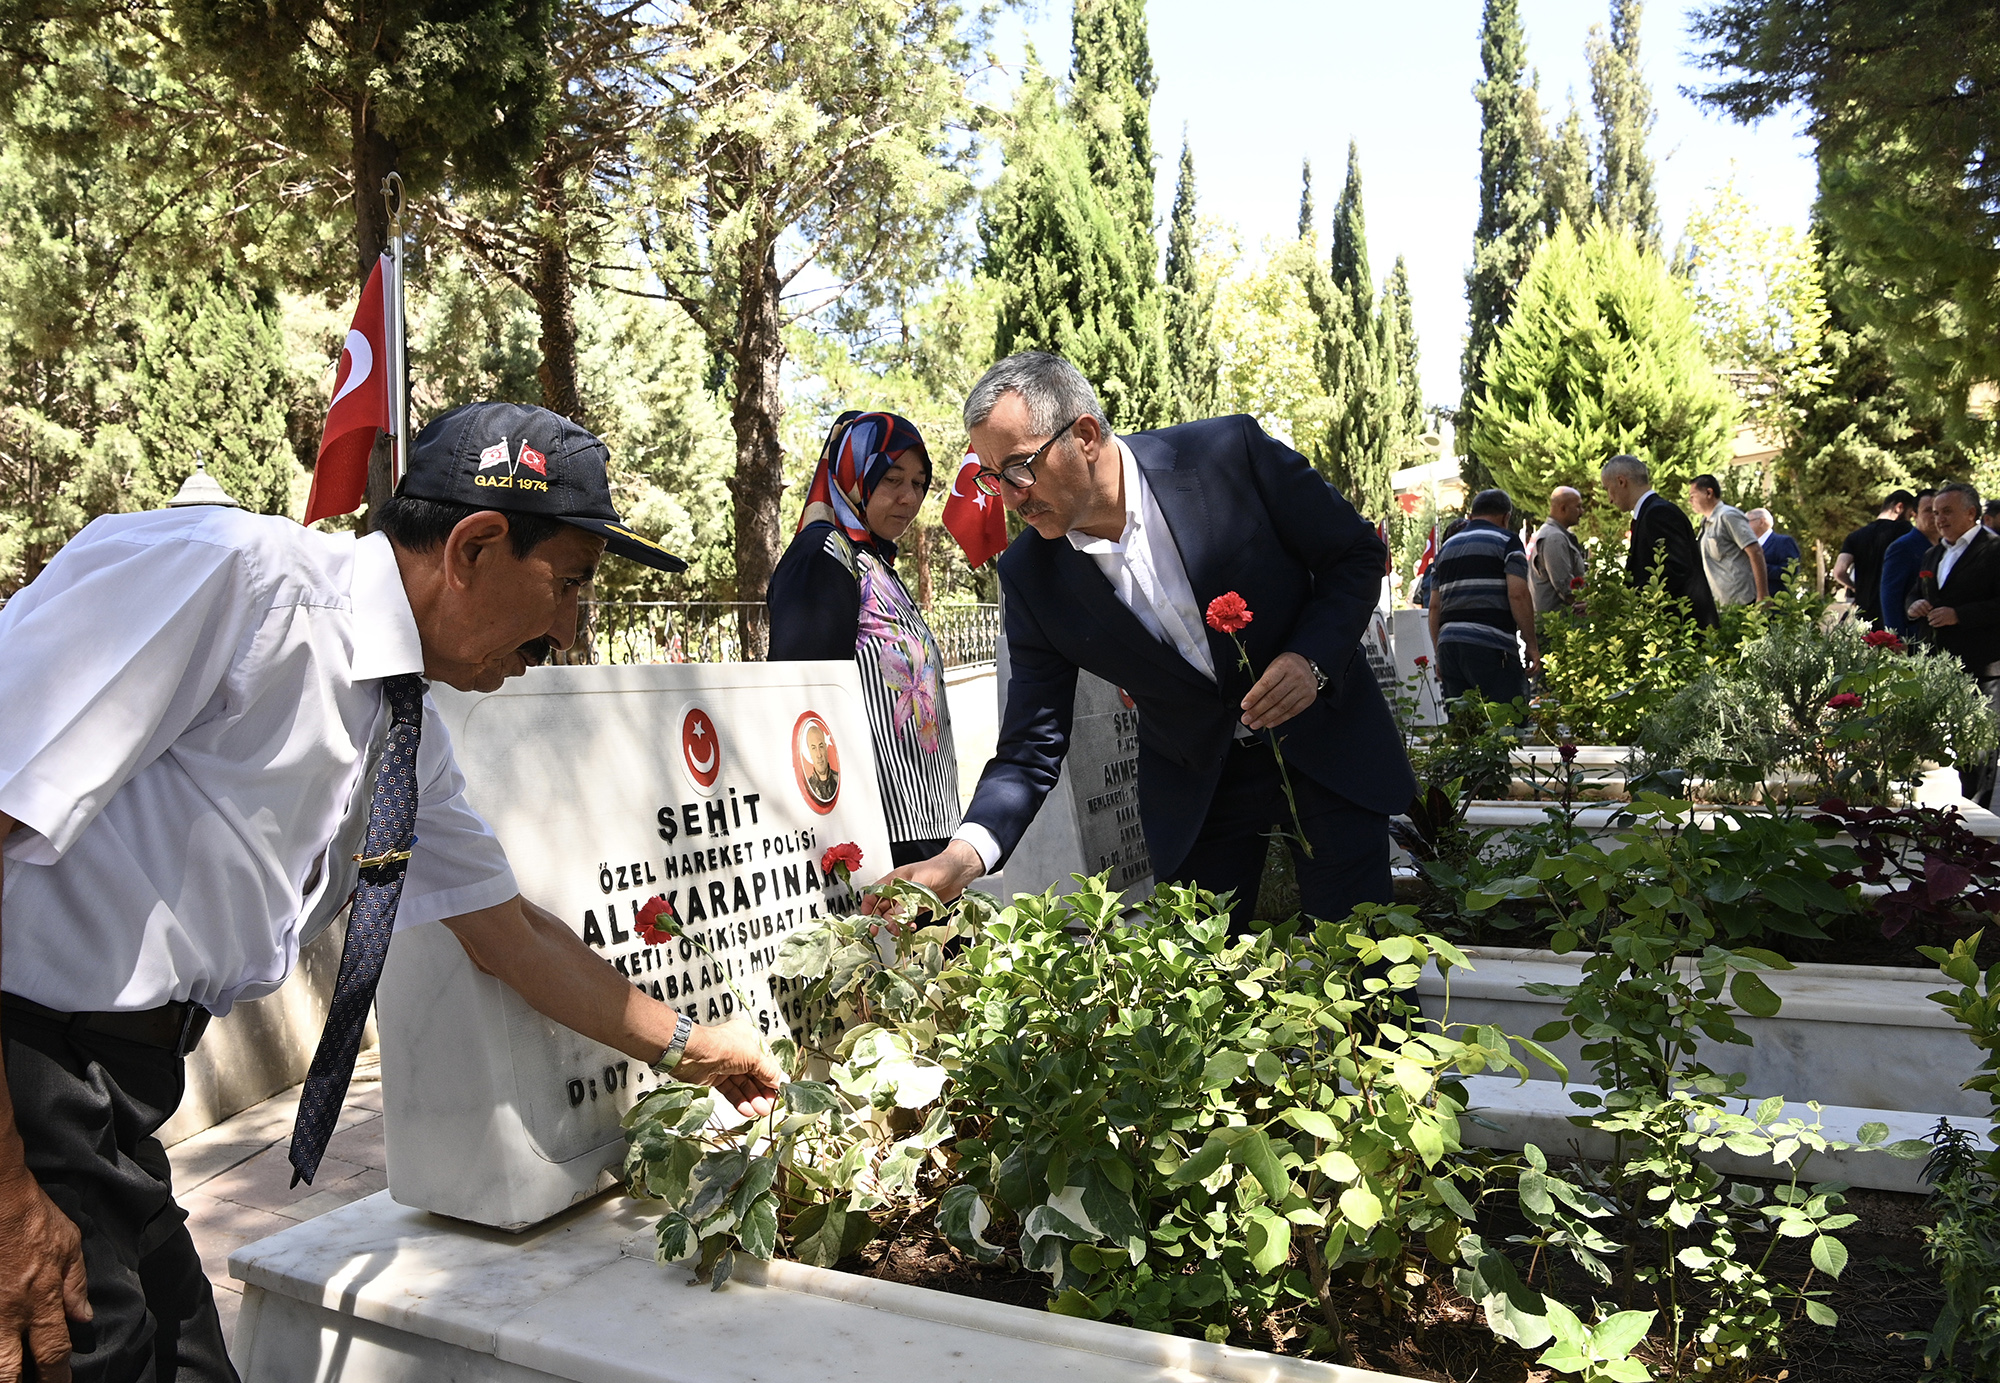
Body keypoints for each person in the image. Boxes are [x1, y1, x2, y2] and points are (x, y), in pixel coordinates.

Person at [0, 402, 782, 1383]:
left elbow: (515, 939)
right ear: (476, 546)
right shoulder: (233, 582)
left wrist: (696, 1049)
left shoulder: (401, 732)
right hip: (25, 1070)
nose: (571, 630)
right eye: (572, 583)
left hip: (113, 1094)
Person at [866, 351, 1414, 934]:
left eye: (1020, 468)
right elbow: (1031, 744)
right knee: (1200, 997)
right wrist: (959, 860)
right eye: (994, 477)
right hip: (1200, 793)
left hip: (1325, 748)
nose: (1010, 497)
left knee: (1361, 972)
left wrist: (1312, 660)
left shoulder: (1228, 454)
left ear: (1083, 436)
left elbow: (1354, 554)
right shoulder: (1031, 576)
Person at [767, 412, 959, 866]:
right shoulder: (825, 555)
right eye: (892, 479)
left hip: (926, 826)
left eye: (919, 483)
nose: (908, 498)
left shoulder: (873, 561)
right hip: (874, 835)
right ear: (856, 475)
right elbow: (804, 702)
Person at [1907, 483, 2000, 803]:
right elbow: (1917, 593)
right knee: (1949, 744)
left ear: (1971, 513)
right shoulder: (1933, 553)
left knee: (1979, 743)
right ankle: (1952, 814)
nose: (1939, 519)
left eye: (1947, 511)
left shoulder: (1994, 549)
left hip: (1982, 663)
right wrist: (1914, 606)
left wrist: (1959, 614)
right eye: (1934, 513)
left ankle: (1978, 814)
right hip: (1939, 663)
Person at [1428, 489, 1539, 702]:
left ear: (1471, 516)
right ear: (1506, 517)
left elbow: (1434, 607)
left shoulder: (1445, 550)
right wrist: (1531, 645)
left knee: (1464, 727)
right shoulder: (1508, 541)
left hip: (1450, 647)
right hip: (1492, 646)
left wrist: (1438, 654)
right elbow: (1518, 595)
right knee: (1508, 722)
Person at [1598, 454, 1717, 626]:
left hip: (1682, 627)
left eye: (1607, 489)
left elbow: (1675, 570)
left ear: (1621, 482)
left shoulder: (1658, 513)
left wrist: (1619, 602)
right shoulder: (1652, 512)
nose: (1609, 499)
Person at [1833, 490, 1915, 627]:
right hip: (1895, 609)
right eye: (1910, 514)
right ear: (1899, 508)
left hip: (1865, 609)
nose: (1910, 520)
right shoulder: (1906, 531)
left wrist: (1856, 588)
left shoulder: (1855, 536)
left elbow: (1839, 571)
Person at [1689, 474, 1768, 606]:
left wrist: (1763, 596)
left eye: (1693, 496)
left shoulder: (1728, 516)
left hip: (1743, 603)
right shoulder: (1706, 524)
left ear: (1709, 493)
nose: (1690, 501)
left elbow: (1755, 551)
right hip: (1722, 605)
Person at [1881, 489, 1940, 640]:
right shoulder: (1902, 547)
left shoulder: (1945, 547)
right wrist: (1896, 638)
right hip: (1912, 636)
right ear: (1915, 513)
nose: (1935, 516)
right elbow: (1890, 597)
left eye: (1938, 511)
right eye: (1928, 510)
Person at [1529, 486, 1587, 613]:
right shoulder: (1555, 538)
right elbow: (1566, 587)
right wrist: (1593, 608)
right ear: (1563, 508)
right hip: (1558, 626)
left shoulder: (1554, 534)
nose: (1582, 512)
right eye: (1578, 507)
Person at [1746, 508, 1801, 594]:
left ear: (1761, 521)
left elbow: (1789, 572)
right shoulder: (1749, 546)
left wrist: (1757, 566)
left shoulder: (1783, 542)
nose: (1745, 526)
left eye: (1747, 521)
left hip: (1775, 600)